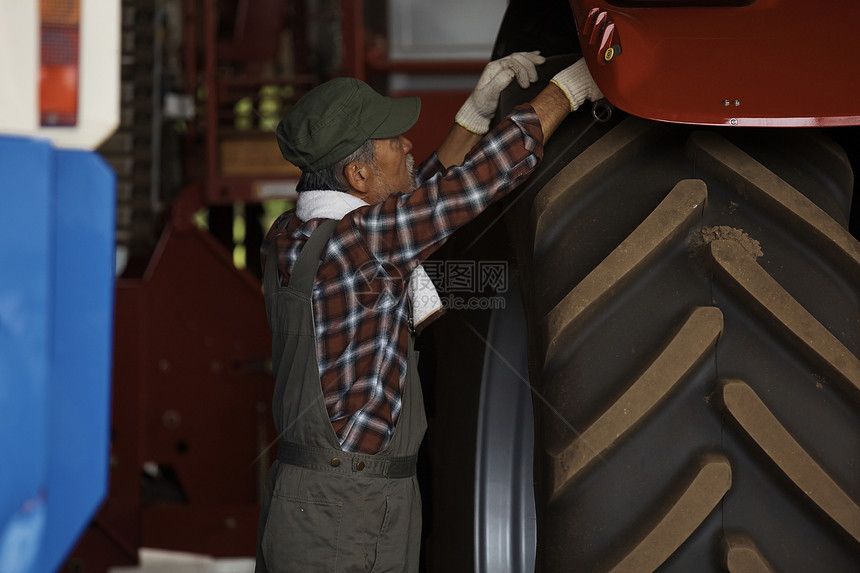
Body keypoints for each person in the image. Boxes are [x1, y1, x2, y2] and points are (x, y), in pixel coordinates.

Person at [255, 53, 603, 573]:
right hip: (349, 509)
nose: (408, 146)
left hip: (315, 500)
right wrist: (570, 91)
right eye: (395, 144)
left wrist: (475, 114)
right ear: (356, 173)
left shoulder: (294, 235)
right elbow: (467, 188)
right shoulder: (364, 242)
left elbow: (414, 204)